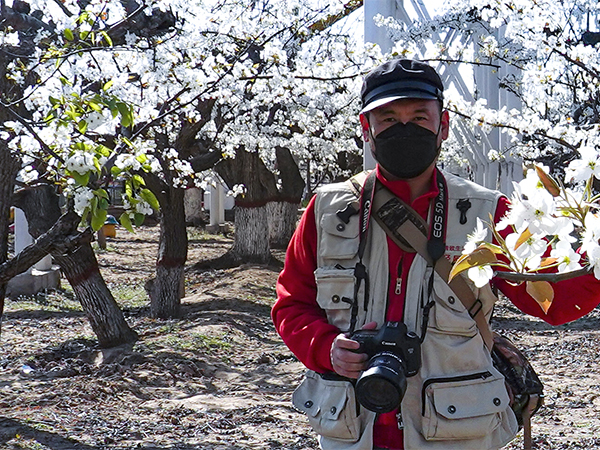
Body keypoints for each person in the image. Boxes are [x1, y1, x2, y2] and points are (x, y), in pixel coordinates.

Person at [271, 59, 600, 450]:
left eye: (419, 117)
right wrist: (325, 347)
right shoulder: (328, 211)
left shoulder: (488, 212)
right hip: (352, 429)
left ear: (443, 126)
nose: (404, 129)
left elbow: (554, 299)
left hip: (455, 434)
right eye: (388, 119)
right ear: (366, 129)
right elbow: (292, 306)